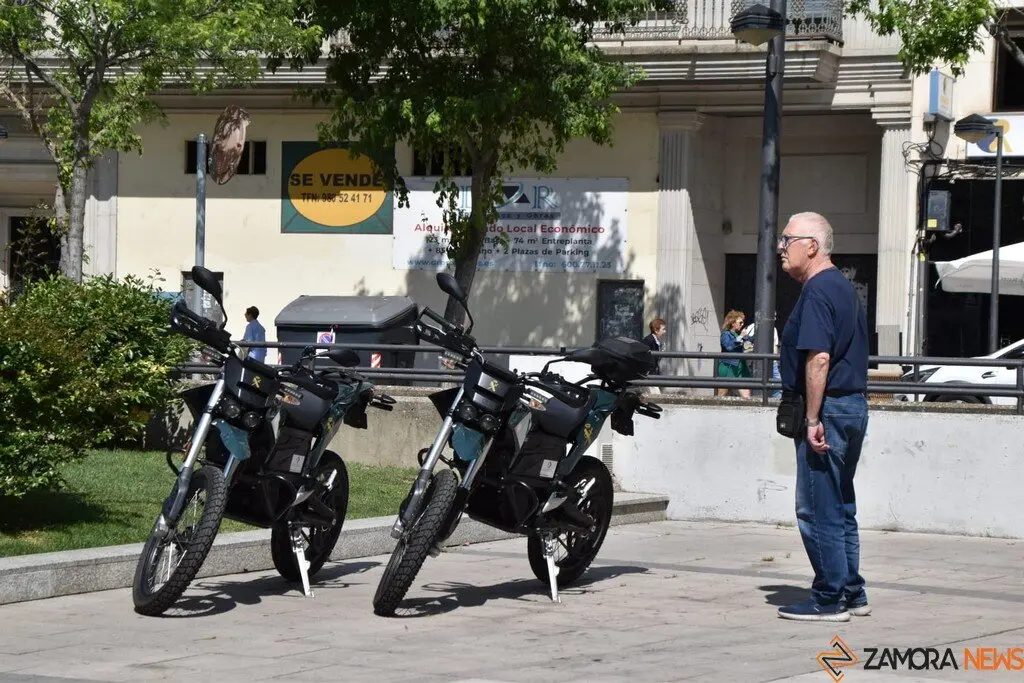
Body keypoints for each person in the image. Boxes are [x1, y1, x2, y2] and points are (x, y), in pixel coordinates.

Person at [776, 211, 870, 623]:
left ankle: (829, 597)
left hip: (828, 408)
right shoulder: (843, 287)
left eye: (786, 240)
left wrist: (812, 419)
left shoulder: (817, 291)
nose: (780, 248)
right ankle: (852, 592)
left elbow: (819, 358)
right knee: (841, 502)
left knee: (816, 508)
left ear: (811, 246)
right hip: (851, 405)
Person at [717, 310, 753, 398]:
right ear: (733, 323)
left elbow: (752, 339)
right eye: (740, 322)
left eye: (742, 322)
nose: (742, 324)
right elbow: (729, 346)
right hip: (728, 366)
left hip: (740, 367)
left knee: (746, 394)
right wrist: (740, 337)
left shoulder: (739, 334)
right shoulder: (726, 334)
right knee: (722, 394)